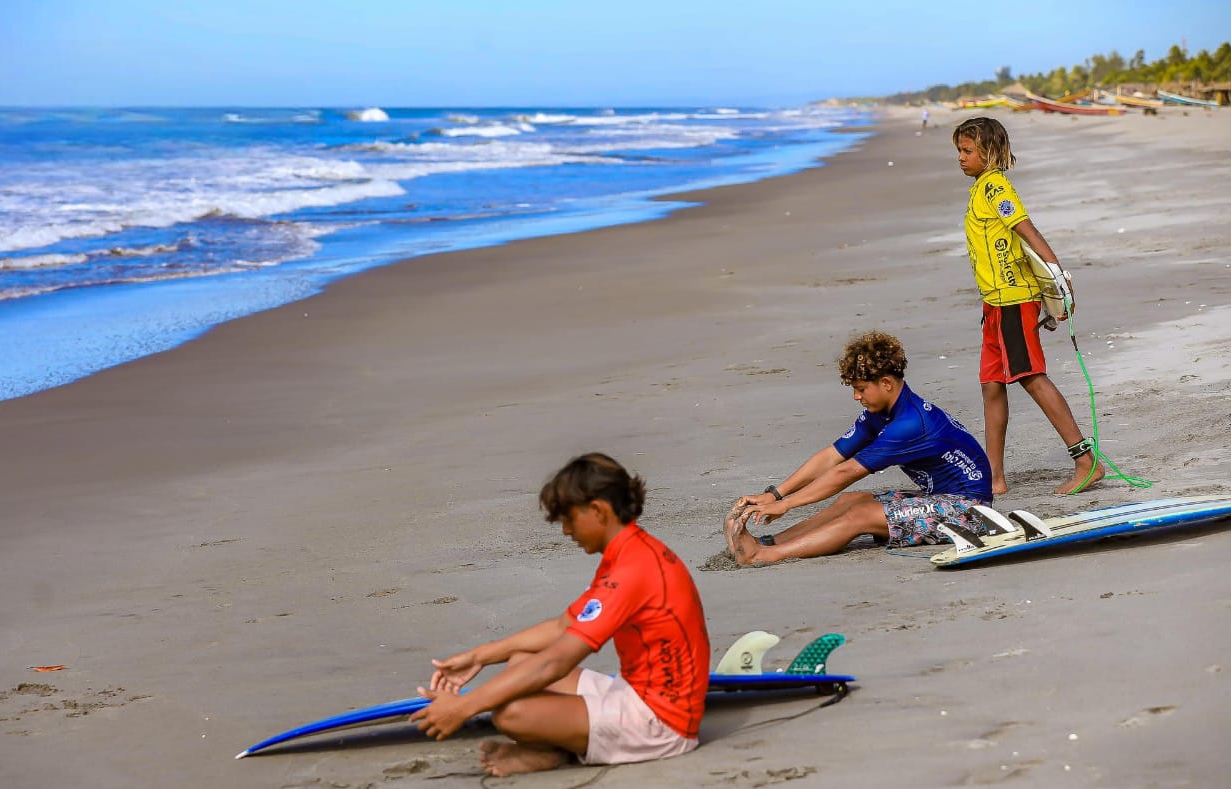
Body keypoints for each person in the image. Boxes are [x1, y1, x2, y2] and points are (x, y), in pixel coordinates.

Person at [411, 452, 710, 777]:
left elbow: (557, 662)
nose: (566, 531)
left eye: (569, 519)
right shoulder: (631, 551)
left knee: (512, 712)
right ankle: (555, 747)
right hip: (635, 691)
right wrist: (480, 656)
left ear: (598, 510)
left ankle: (551, 752)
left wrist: (464, 708)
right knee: (519, 662)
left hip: (661, 722)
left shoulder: (632, 571)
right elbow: (563, 626)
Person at [724, 331, 991, 566]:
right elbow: (832, 456)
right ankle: (768, 542)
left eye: (861, 389)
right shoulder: (883, 411)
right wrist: (775, 494)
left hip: (970, 511)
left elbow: (846, 472)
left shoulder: (910, 425)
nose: (856, 396)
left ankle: (763, 555)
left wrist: (788, 504)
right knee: (850, 501)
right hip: (940, 497)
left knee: (859, 515)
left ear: (886, 383)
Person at [952, 116, 1105, 495]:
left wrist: (1059, 276)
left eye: (967, 150)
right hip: (993, 305)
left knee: (1030, 376)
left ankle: (1086, 461)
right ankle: (994, 477)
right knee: (991, 384)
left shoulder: (996, 189)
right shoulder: (979, 189)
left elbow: (1027, 229)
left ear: (988, 152)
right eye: (958, 150)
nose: (960, 157)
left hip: (1013, 301)